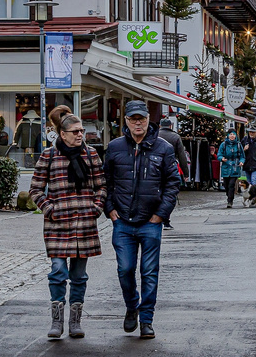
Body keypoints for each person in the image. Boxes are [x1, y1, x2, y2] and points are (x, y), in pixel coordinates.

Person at [102, 101, 180, 339]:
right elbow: (105, 182)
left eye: (142, 118)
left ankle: (146, 319)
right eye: (133, 119)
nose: (138, 123)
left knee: (149, 272)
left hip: (150, 222)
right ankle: (131, 305)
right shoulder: (115, 147)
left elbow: (173, 184)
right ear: (126, 121)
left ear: (148, 120)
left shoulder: (163, 148)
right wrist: (110, 210)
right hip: (123, 221)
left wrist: (161, 214)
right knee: (125, 269)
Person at [31, 113, 107, 340]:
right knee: (57, 272)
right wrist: (49, 209)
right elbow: (35, 189)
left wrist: (96, 207)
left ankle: (75, 322)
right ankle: (57, 321)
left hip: (84, 223)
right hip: (58, 225)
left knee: (79, 275)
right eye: (75, 132)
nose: (80, 135)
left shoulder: (91, 154)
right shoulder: (49, 155)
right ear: (62, 134)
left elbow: (102, 186)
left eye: (81, 131)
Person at [217, 131, 244, 208]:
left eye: (233, 134)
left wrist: (241, 161)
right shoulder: (223, 144)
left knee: (231, 184)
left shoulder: (238, 145)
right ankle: (228, 195)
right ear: (228, 135)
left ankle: (230, 200)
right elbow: (219, 154)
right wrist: (221, 158)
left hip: (235, 167)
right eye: (231, 134)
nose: (232, 136)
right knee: (226, 185)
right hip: (226, 167)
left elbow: (242, 156)